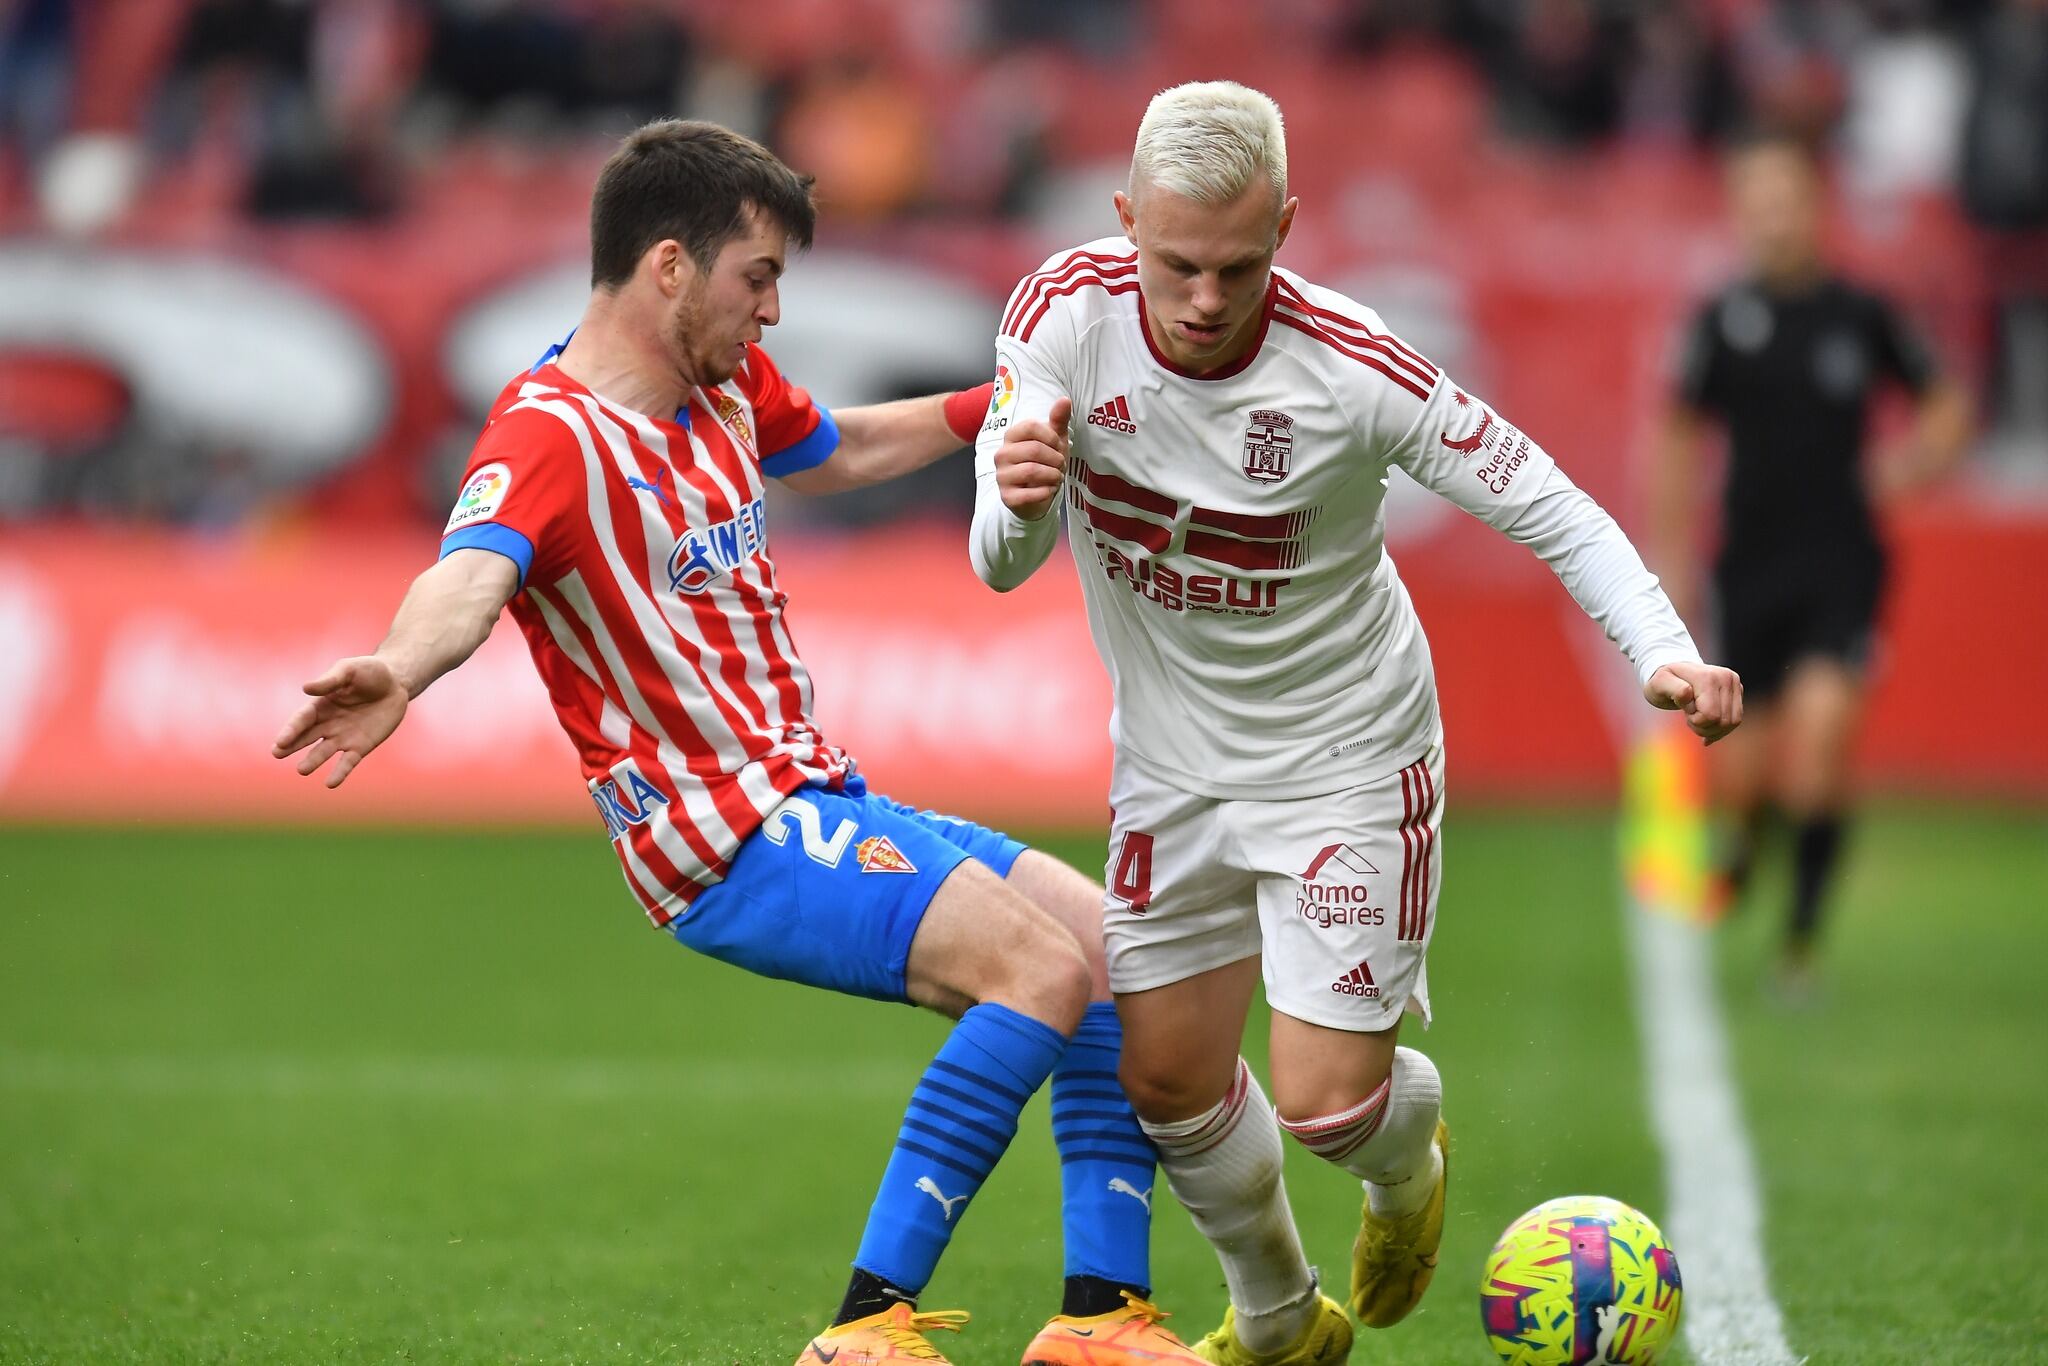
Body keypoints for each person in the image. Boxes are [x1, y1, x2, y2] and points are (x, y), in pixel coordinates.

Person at [272, 119, 1203, 1366]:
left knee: (1112, 953)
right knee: (1036, 975)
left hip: (810, 794)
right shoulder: (547, 437)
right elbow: (467, 575)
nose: (770, 312)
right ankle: (865, 1330)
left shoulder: (719, 388)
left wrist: (1006, 408)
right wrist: (397, 665)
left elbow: (840, 449)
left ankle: (1097, 1322)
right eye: (755, 278)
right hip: (717, 835)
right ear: (669, 267)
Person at [970, 82, 1743, 1366]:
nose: (1206, 300)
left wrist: (1662, 650)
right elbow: (1003, 560)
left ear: (1285, 222)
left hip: (1343, 755)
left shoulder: (1353, 367)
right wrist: (1013, 500)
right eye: (1174, 264)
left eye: (1238, 264)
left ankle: (1406, 1160)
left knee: (1331, 1108)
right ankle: (1279, 1318)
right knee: (1162, 1081)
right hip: (1167, 760)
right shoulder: (1059, 315)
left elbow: (1546, 502)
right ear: (1122, 222)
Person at [1650, 132, 1971, 1000]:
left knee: (1822, 751)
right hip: (1749, 564)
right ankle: (1747, 853)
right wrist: (1670, 551)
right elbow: (1679, 436)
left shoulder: (1861, 314)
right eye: (1756, 204)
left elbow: (1945, 403)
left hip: (1841, 564)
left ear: (1815, 208)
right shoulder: (1721, 320)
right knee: (1744, 782)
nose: (1773, 219)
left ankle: (1800, 949)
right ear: (1740, 217)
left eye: (1786, 200)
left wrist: (1909, 467)